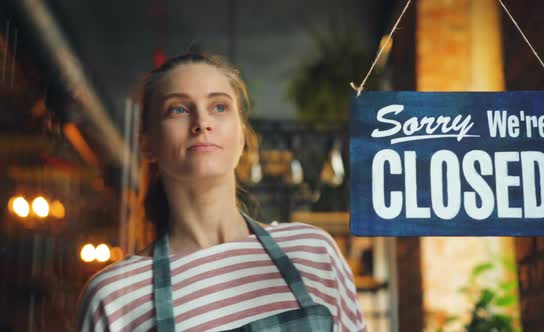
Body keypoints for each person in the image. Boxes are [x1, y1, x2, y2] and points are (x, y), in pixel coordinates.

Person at [77, 51, 367, 331]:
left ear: (242, 136)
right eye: (178, 109)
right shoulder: (114, 297)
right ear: (147, 145)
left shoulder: (313, 252)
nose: (202, 123)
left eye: (219, 107)